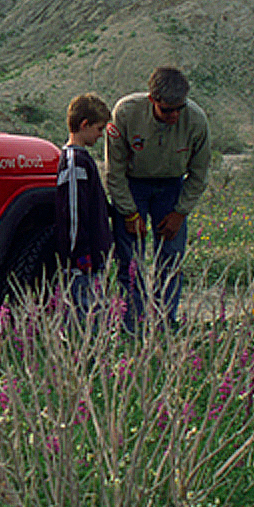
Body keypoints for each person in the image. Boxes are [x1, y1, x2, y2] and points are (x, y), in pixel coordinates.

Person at [103, 66, 211, 326]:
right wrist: (129, 212)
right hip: (133, 186)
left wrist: (180, 212)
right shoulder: (125, 113)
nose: (174, 115)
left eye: (179, 108)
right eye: (167, 109)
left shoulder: (196, 121)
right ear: (152, 100)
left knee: (171, 256)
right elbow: (114, 172)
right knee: (130, 259)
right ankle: (133, 323)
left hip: (172, 189)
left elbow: (199, 175)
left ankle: (165, 322)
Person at [54, 93, 113, 311]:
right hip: (81, 262)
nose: (100, 135)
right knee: (82, 314)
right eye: (99, 129)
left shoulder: (84, 159)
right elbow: (73, 211)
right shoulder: (73, 162)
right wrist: (79, 254)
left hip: (93, 258)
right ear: (84, 124)